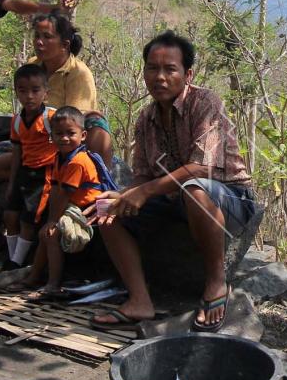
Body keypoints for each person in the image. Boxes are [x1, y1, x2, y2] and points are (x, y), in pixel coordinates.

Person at [86, 31, 259, 333]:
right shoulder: (146, 118)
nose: (160, 77)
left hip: (228, 197)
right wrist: (124, 195)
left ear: (187, 74)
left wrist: (146, 191)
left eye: (170, 69)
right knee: (107, 213)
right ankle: (140, 300)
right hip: (173, 200)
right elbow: (142, 173)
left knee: (193, 189)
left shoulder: (205, 103)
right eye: (153, 68)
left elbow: (201, 167)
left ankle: (217, 283)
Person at [0, 13, 113, 182]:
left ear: (64, 45)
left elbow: (76, 121)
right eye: (37, 36)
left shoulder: (79, 73)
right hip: (34, 139)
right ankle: (42, 176)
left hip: (64, 140)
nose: (39, 42)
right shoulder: (32, 66)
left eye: (47, 37)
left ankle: (97, 181)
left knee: (96, 124)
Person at [30, 105, 116, 294]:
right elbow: (54, 189)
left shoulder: (78, 161)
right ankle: (33, 277)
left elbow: (65, 193)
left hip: (89, 208)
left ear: (83, 135)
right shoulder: (58, 158)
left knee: (52, 235)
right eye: (59, 134)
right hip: (73, 206)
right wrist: (50, 219)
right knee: (44, 233)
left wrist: (53, 221)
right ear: (52, 136)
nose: (65, 138)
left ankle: (53, 284)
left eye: (71, 133)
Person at [2, 64, 60, 270]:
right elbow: (17, 151)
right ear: (16, 91)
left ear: (46, 92)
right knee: (10, 215)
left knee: (28, 220)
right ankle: (12, 257)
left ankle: (16, 263)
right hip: (24, 173)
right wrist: (12, 182)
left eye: (35, 90)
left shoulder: (51, 118)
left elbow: (68, 139)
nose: (29, 96)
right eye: (23, 91)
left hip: (44, 174)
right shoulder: (17, 121)